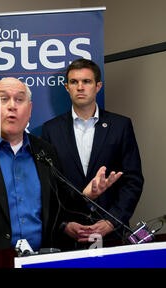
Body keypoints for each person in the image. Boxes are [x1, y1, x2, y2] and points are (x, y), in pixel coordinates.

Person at [0, 77, 121, 263]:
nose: (12, 105)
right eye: (3, 99)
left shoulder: (46, 151)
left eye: (20, 99)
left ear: (30, 110)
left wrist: (85, 196)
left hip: (40, 262)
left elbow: (57, 211)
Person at [42, 58, 144, 242]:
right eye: (74, 82)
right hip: (68, 236)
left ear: (98, 86)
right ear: (67, 87)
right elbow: (47, 186)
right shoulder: (51, 130)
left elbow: (133, 180)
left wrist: (112, 221)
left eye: (86, 81)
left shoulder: (120, 125)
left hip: (112, 234)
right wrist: (64, 224)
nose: (80, 87)